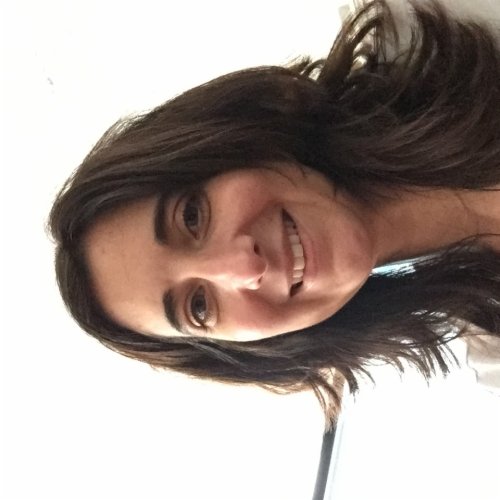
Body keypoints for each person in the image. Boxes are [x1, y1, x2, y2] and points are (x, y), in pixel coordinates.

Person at [49, 0, 500, 424]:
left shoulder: (431, 15)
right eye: (200, 306)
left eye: (191, 217)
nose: (244, 267)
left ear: (227, 144)